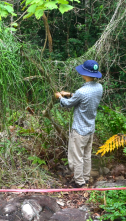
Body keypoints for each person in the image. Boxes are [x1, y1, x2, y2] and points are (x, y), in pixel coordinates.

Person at [54, 60, 103, 188]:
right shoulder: (99, 87)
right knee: (87, 155)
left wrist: (60, 97)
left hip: (79, 130)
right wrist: (69, 94)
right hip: (90, 128)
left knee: (78, 157)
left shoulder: (82, 91)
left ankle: (79, 182)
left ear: (85, 74)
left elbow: (68, 104)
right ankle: (86, 179)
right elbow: (83, 97)